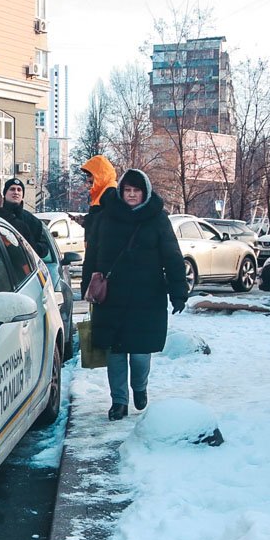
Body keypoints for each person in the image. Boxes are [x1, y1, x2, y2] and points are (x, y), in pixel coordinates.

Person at [84, 168, 188, 420]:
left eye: (136, 191)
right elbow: (93, 254)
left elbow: (172, 257)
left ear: (145, 193)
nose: (131, 195)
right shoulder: (106, 217)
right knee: (116, 351)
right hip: (112, 297)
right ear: (120, 191)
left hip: (147, 296)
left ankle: (139, 387)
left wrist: (178, 292)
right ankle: (118, 401)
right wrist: (88, 285)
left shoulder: (157, 219)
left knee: (140, 352)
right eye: (127, 190)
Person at [0, 177, 49, 257]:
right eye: (12, 189)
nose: (16, 192)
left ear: (22, 195)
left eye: (19, 190)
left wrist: (30, 249)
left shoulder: (33, 221)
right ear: (5, 193)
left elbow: (44, 249)